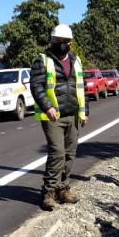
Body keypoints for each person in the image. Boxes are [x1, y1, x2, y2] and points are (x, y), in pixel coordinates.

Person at [30, 24, 88, 211]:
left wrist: (84, 110)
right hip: (53, 116)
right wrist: (47, 107)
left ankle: (63, 189)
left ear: (70, 43)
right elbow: (37, 87)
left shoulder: (75, 60)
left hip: (73, 114)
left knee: (69, 155)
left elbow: (82, 87)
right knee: (57, 153)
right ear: (52, 41)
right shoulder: (42, 61)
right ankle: (48, 192)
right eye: (58, 41)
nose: (62, 44)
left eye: (65, 41)